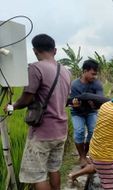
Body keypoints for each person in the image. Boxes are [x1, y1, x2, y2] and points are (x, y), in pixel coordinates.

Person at [10, 34, 71, 190]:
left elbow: (26, 98)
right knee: (54, 168)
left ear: (35, 50)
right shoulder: (66, 71)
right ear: (55, 50)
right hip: (61, 130)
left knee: (38, 176)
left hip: (43, 132)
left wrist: (13, 106)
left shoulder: (36, 67)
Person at [69, 60, 103, 167]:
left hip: (91, 112)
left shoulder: (97, 84)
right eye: (93, 74)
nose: (95, 76)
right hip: (77, 112)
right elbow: (73, 102)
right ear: (85, 71)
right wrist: (76, 104)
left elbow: (100, 99)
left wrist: (95, 104)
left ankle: (85, 154)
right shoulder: (75, 85)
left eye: (96, 74)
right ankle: (82, 156)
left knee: (93, 131)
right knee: (79, 131)